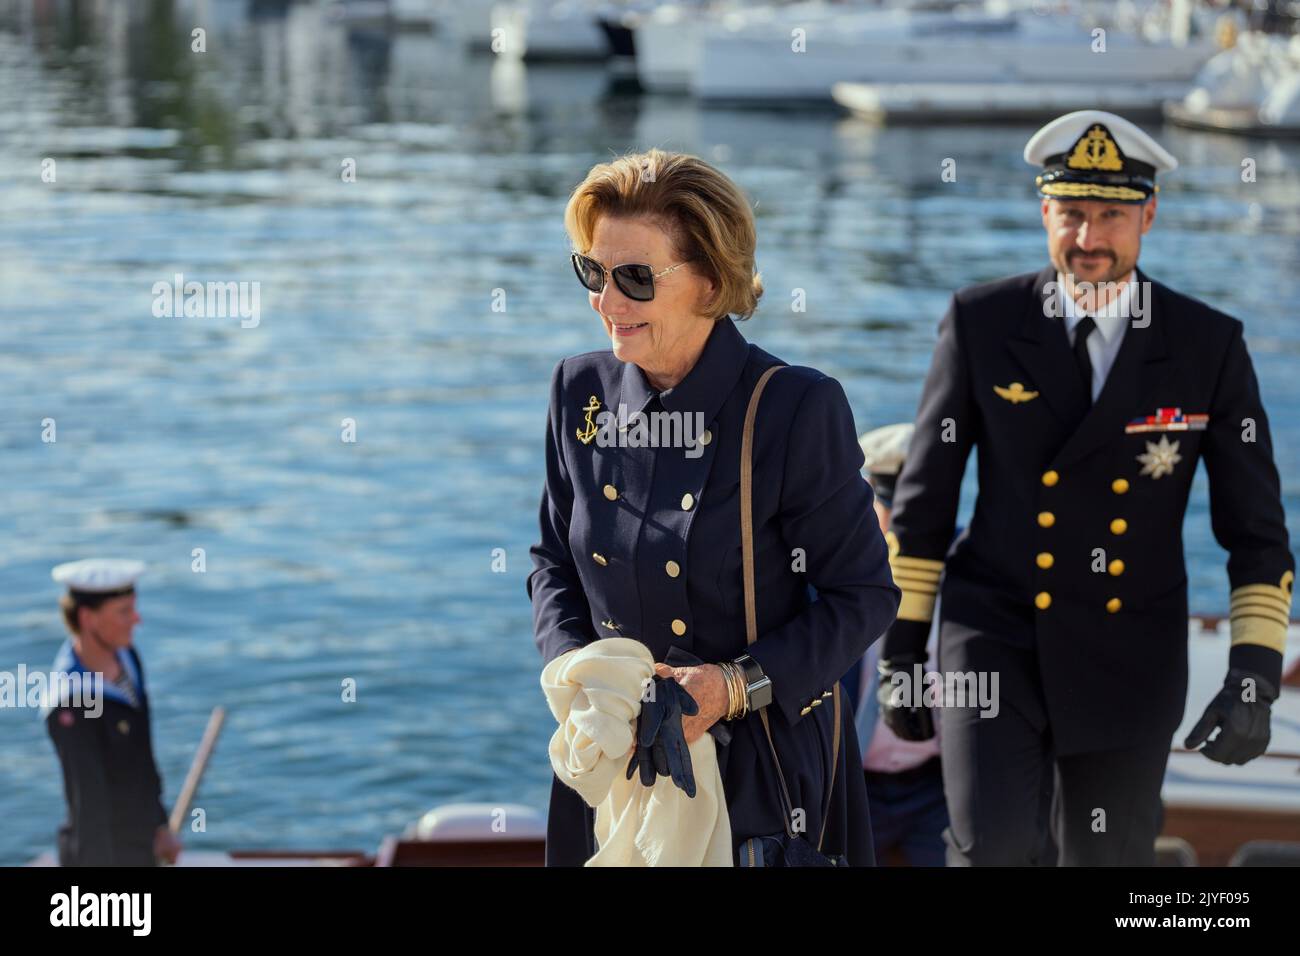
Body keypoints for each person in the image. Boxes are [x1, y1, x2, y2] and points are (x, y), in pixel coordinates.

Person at [877, 110, 1294, 866]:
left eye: (1111, 215)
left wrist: (1256, 674)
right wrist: (902, 654)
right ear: (1045, 212)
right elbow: (925, 507)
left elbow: (1257, 533)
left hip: (1130, 648)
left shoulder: (1206, 345)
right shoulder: (982, 322)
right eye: (1071, 214)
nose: (1089, 238)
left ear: (1150, 215)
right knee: (991, 848)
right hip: (994, 633)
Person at [528, 148, 901, 866]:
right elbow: (551, 560)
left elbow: (864, 598)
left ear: (710, 280)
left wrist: (730, 687)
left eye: (635, 278)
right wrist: (579, 676)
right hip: (609, 761)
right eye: (591, 273)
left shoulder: (796, 408)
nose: (606, 302)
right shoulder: (578, 392)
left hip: (757, 773)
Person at [853, 424, 949, 866]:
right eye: (893, 509)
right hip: (849, 783)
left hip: (938, 785)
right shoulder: (824, 577)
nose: (905, 530)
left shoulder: (969, 576)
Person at [45, 559, 181, 866]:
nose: (136, 619)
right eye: (123, 611)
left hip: (141, 843)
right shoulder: (73, 703)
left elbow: (142, 757)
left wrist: (159, 825)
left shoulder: (127, 659)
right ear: (87, 618)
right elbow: (88, 807)